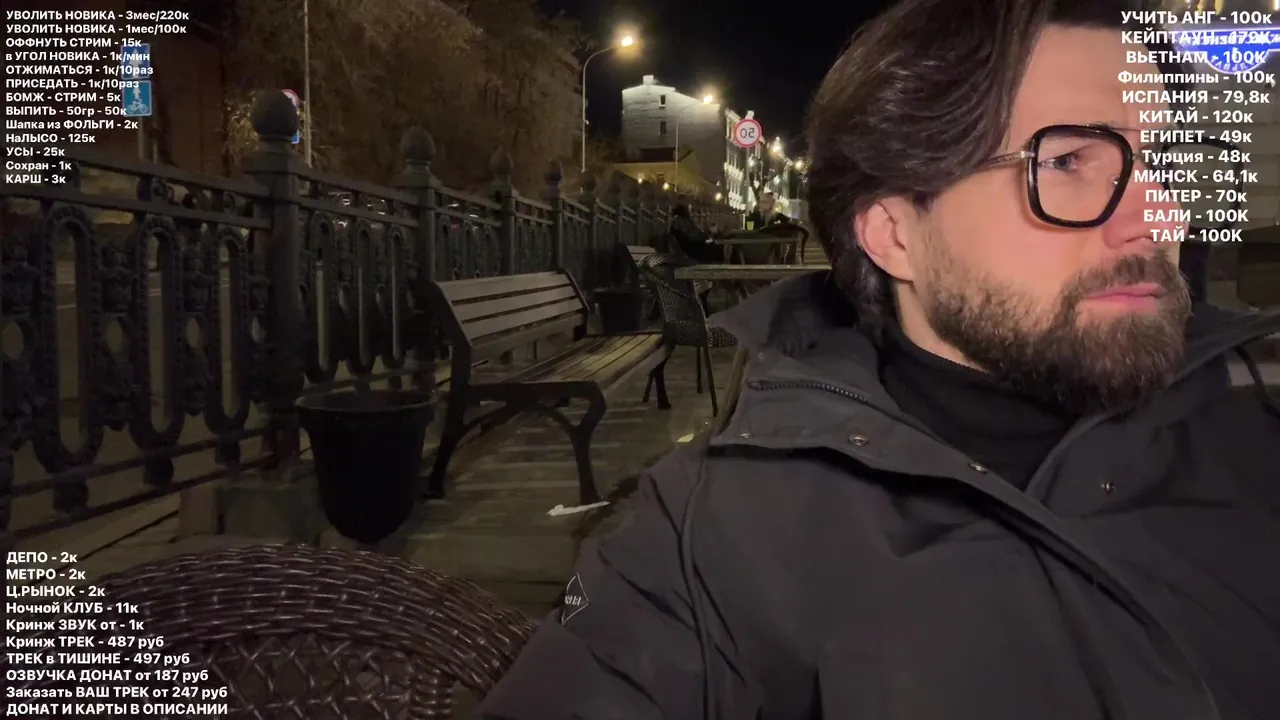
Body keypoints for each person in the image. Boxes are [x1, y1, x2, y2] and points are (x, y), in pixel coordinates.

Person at [475, 0, 1280, 718]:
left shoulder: (1257, 419)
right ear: (894, 233)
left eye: (1162, 162)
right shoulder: (716, 538)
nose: (1159, 216)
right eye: (1068, 161)